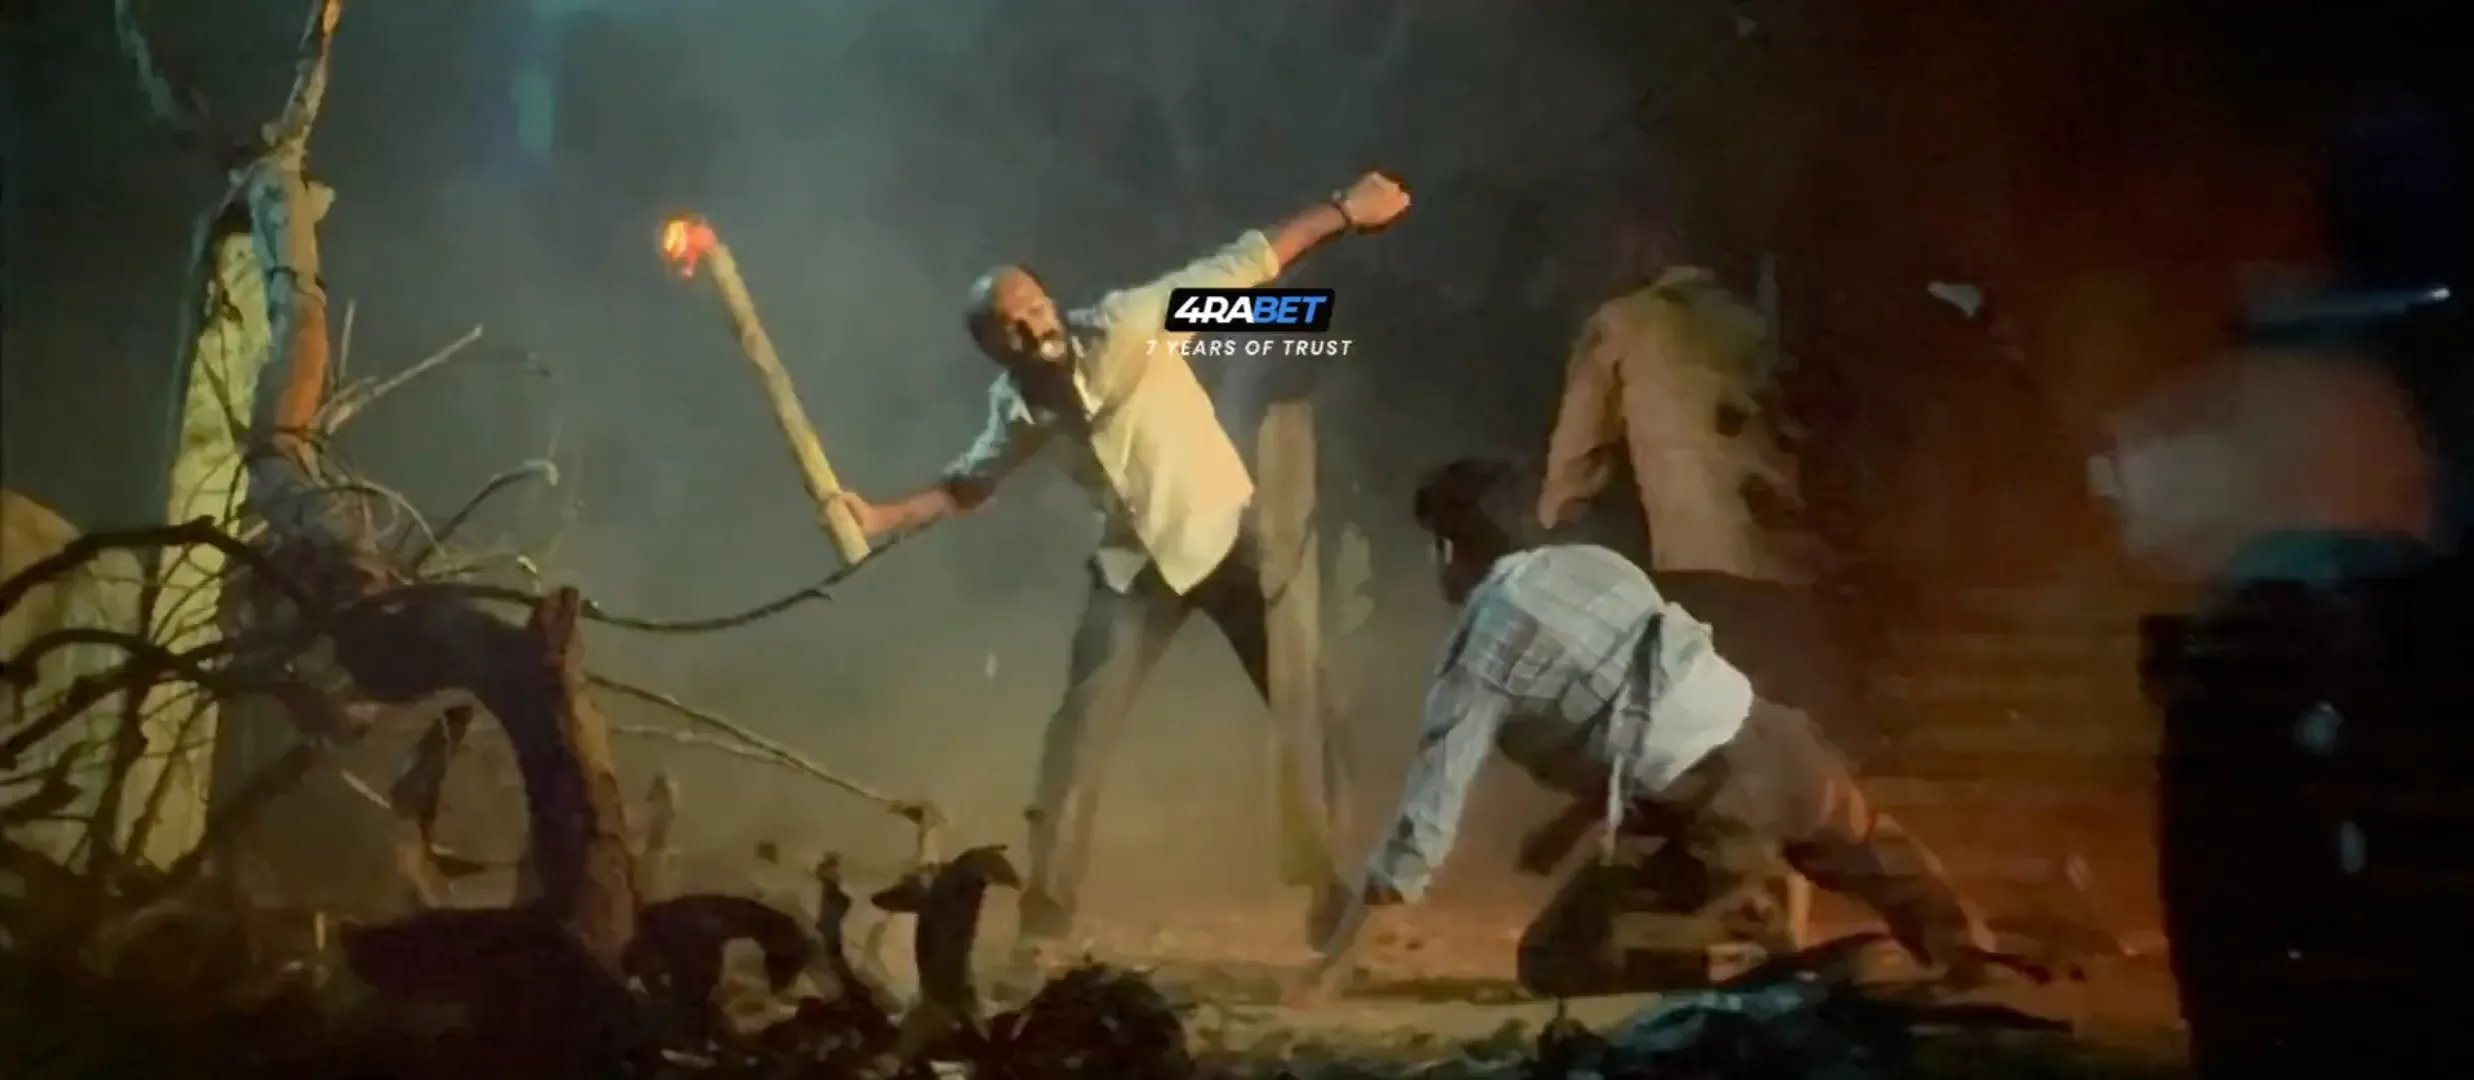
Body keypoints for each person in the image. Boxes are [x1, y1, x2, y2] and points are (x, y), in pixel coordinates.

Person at [833, 172, 1414, 948]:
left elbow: (1246, 264)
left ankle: (1332, 888)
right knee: (1076, 742)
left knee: (1307, 712)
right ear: (992, 348)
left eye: (1035, 307)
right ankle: (1047, 919)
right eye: (1011, 326)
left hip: (1228, 537)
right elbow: (969, 485)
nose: (1033, 326)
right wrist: (878, 517)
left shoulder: (1134, 323)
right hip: (1133, 571)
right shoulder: (1017, 408)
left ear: (1051, 302)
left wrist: (1345, 212)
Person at [1291, 459, 1994, 1001]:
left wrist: (1335, 964)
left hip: (1712, 813)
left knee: (1558, 961)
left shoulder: (1478, 655)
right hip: (1781, 743)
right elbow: (1649, 711)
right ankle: (1977, 960)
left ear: (1447, 550)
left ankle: (1749, 944)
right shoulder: (1599, 566)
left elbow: (1422, 827)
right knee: (1877, 854)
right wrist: (1569, 826)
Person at [1533, 264, 1860, 738]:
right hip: (1796, 586)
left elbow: (1572, 472)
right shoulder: (1766, 327)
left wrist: (1552, 525)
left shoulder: (1626, 321)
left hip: (1701, 579)